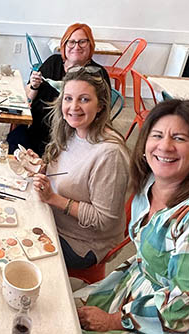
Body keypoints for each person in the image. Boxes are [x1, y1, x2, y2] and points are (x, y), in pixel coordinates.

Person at [75, 99, 189, 333]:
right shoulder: (150, 181)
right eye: (157, 135)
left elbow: (182, 314)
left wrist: (114, 320)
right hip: (135, 289)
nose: (165, 146)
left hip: (166, 322)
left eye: (180, 138)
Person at [32, 66, 129, 270]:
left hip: (82, 242)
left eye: (84, 99)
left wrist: (53, 198)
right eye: (68, 98)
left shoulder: (110, 154)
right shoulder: (71, 130)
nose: (73, 107)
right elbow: (66, 171)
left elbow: (104, 220)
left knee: (14, 248)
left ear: (101, 106)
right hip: (52, 217)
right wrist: (40, 166)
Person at [8, 23, 111, 156]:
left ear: (90, 44)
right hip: (37, 129)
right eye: (71, 42)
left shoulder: (97, 74)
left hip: (72, 137)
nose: (76, 46)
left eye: (82, 42)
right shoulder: (53, 63)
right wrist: (34, 86)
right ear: (64, 45)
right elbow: (27, 96)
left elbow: (103, 113)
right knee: (15, 146)